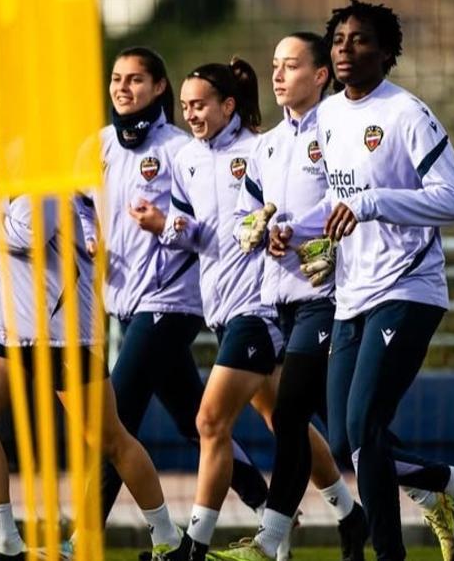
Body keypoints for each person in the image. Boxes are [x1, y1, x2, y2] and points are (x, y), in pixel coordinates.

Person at [272, 0, 454, 561]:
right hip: (352, 293)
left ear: (387, 53)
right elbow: (332, 203)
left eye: (360, 40)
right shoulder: (327, 118)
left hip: (408, 289)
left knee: (366, 428)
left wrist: (372, 203)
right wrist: (290, 230)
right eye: (339, 39)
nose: (345, 48)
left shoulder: (407, 114)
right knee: (346, 441)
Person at [0, 64, 186, 561]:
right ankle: (7, 545)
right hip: (5, 323)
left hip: (58, 328)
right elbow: (7, 233)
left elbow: (23, 235)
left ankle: (169, 540)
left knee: (111, 440)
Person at [78, 48, 269, 547]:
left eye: (136, 79)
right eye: (117, 79)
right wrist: (88, 237)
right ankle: (268, 507)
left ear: (159, 87)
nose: (123, 88)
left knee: (114, 416)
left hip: (173, 302)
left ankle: (86, 540)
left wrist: (165, 225)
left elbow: (206, 229)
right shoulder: (96, 146)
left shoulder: (180, 150)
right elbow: (77, 202)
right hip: (123, 302)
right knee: (196, 420)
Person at [208, 32, 369, 561]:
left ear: (320, 76)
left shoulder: (338, 133)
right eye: (274, 65)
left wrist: (292, 229)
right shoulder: (269, 144)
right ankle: (446, 484)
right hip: (274, 301)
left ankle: (269, 540)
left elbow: (346, 200)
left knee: (293, 416)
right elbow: (245, 215)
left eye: (291, 65)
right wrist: (259, 229)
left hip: (326, 297)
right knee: (349, 430)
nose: (278, 75)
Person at [127, 59, 282, 561]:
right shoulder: (186, 161)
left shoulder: (257, 150)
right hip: (221, 310)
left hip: (258, 306)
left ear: (228, 106)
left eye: (201, 105)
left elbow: (279, 213)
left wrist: (268, 227)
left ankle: (192, 547)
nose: (191, 114)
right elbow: (190, 231)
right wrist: (162, 227)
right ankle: (344, 515)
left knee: (209, 421)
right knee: (291, 423)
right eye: (187, 106)